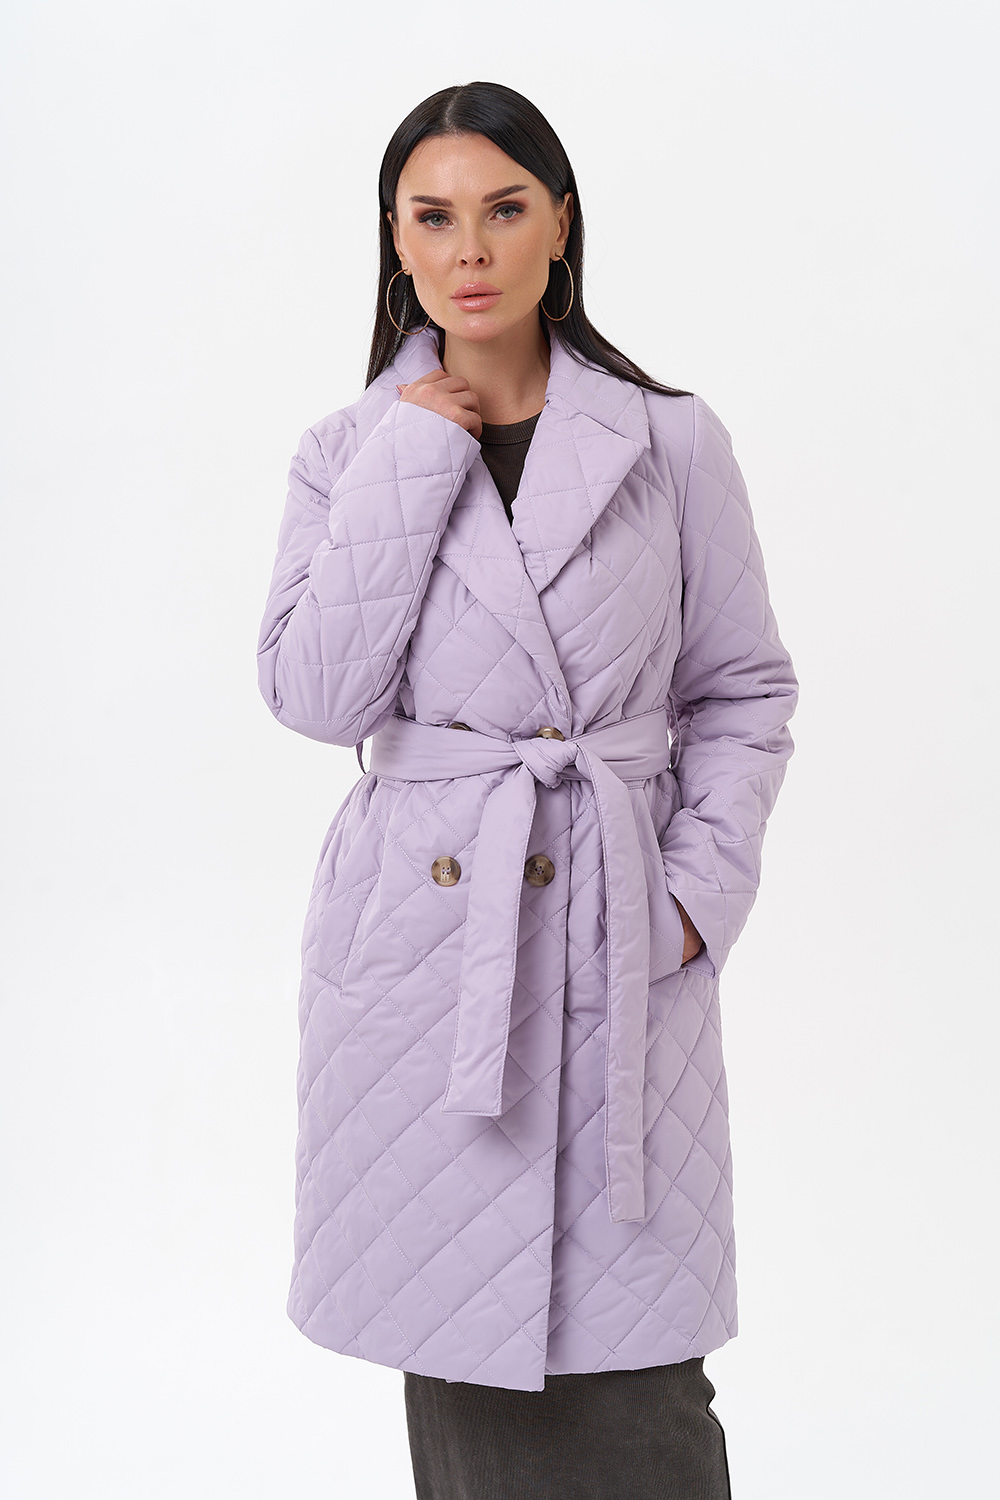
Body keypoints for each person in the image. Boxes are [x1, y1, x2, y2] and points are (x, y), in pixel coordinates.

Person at [257, 80, 798, 1500]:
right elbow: (315, 699)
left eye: (504, 209)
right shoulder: (347, 452)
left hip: (619, 936)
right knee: (462, 1358)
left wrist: (692, 903)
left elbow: (742, 691)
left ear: (561, 223)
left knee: (641, 1384)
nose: (472, 249)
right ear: (396, 242)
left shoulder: (670, 441)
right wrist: (415, 456)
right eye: (434, 218)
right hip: (428, 962)